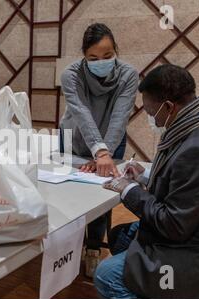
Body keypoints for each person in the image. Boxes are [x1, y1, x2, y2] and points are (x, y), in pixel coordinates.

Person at [96, 64, 199, 299]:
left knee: (106, 274)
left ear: (168, 107)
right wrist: (145, 176)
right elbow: (183, 185)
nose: (151, 118)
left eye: (150, 111)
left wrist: (129, 190)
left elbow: (173, 225)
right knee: (121, 236)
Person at [60, 23, 139, 277]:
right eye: (93, 58)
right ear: (84, 56)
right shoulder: (71, 74)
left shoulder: (128, 75)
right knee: (69, 193)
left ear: (116, 50)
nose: (100, 62)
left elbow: (120, 116)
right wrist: (97, 152)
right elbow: (81, 113)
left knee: (100, 195)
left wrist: (103, 153)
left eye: (107, 56)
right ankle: (64, 248)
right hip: (76, 140)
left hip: (111, 141)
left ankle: (93, 249)